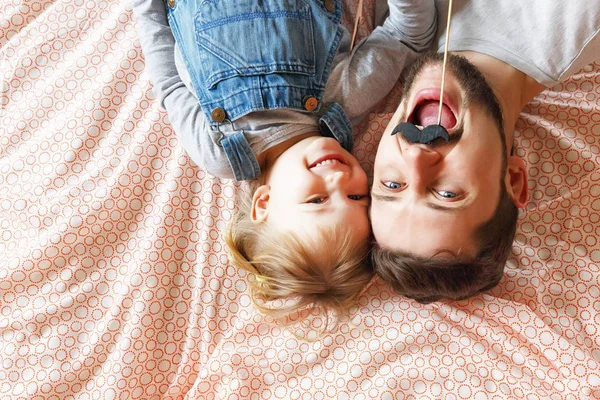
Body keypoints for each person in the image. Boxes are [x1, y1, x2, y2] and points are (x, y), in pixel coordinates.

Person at [131, 0, 437, 322]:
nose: (339, 180)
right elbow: (407, 36)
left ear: (263, 202)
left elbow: (169, 85)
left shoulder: (217, 151)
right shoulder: (346, 97)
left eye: (317, 199)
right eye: (357, 197)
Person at [370, 0, 600, 303]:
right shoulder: (581, 16)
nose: (415, 157)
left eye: (392, 185)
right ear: (514, 179)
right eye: (447, 193)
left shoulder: (384, 37)